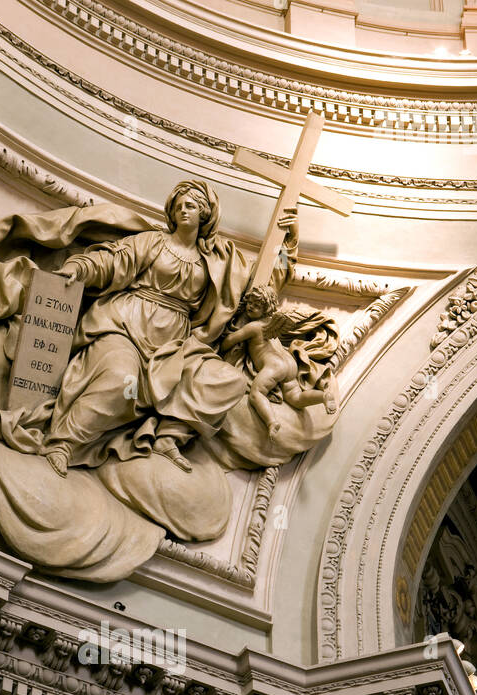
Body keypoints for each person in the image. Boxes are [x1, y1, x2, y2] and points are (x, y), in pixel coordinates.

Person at [40, 181, 260, 476]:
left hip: (174, 345)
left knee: (228, 380)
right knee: (123, 380)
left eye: (191, 206)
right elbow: (113, 260)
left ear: (204, 214)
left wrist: (287, 246)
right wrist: (80, 268)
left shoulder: (216, 261)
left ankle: (167, 435)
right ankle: (63, 443)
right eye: (179, 205)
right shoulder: (153, 242)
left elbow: (258, 286)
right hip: (126, 325)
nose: (183, 210)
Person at [221, 282, 337, 443]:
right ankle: (323, 396)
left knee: (257, 394)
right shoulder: (272, 323)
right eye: (250, 303)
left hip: (274, 366)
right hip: (290, 365)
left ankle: (271, 422)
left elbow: (229, 341)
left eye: (257, 305)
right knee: (296, 398)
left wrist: (224, 336)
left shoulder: (253, 327)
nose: (250, 307)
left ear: (266, 309)